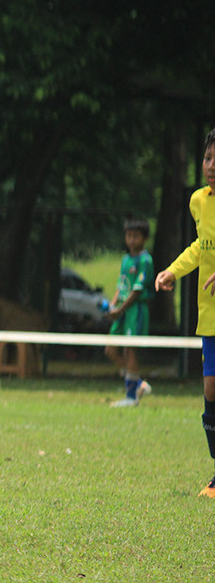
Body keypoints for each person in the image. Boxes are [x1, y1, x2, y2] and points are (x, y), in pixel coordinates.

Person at [157, 129, 215, 497]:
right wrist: (172, 270)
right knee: (211, 390)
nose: (212, 166)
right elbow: (199, 246)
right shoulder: (199, 201)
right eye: (209, 158)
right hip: (210, 313)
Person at [103, 218, 154, 407]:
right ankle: (139, 383)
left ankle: (131, 397)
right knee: (110, 349)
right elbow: (121, 285)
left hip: (135, 310)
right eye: (129, 236)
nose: (132, 240)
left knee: (130, 350)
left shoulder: (145, 260)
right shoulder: (126, 259)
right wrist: (113, 305)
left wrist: (121, 309)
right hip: (122, 310)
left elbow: (137, 290)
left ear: (144, 238)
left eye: (136, 236)